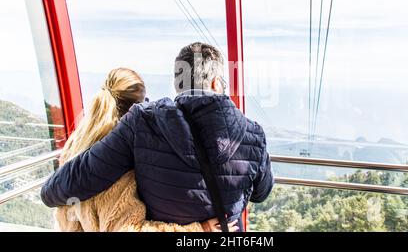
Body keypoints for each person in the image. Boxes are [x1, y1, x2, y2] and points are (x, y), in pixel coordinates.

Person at [41, 42, 274, 232]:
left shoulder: (143, 121)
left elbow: (86, 175)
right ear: (216, 83)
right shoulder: (254, 134)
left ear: (177, 85)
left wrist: (49, 192)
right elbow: (261, 193)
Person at [54, 68, 237, 232]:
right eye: (145, 103)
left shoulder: (76, 143)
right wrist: (199, 230)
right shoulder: (117, 163)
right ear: (135, 110)